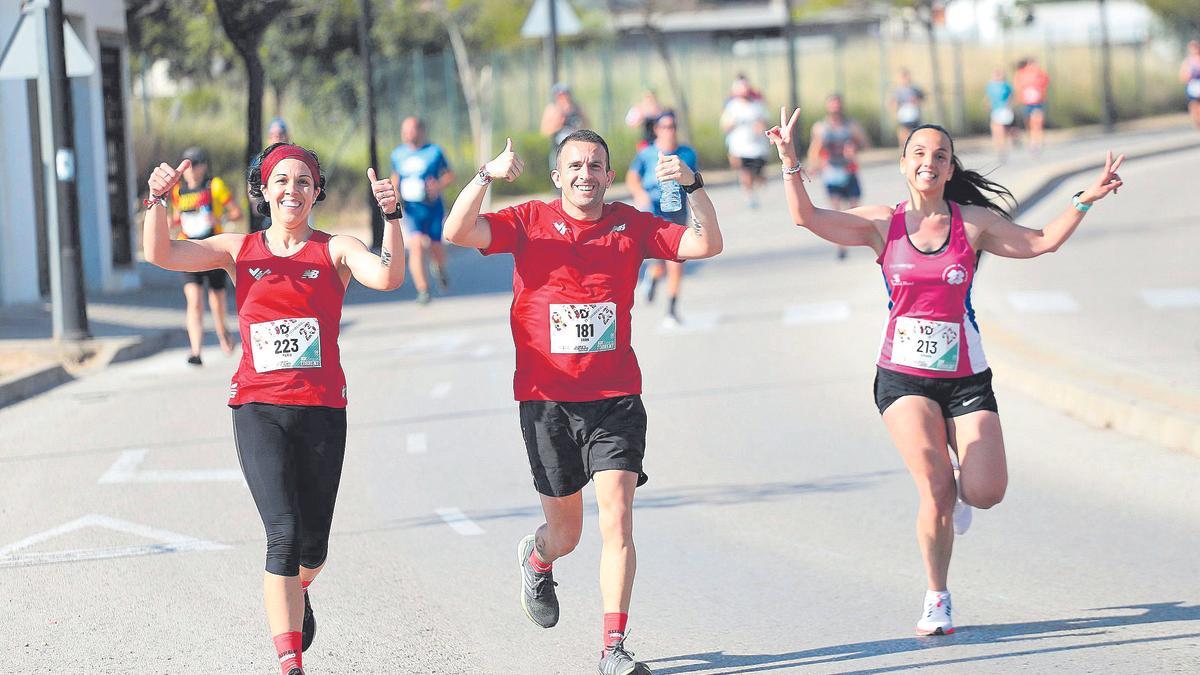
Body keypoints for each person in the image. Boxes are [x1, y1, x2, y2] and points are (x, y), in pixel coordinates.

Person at [766, 106, 1124, 637]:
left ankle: (959, 487)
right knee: (933, 485)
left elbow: (1040, 241)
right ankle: (937, 596)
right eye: (919, 154)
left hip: (966, 378)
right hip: (902, 377)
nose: (929, 162)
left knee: (985, 492)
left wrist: (1082, 201)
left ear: (951, 169)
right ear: (904, 165)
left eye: (940, 155)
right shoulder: (880, 224)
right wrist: (791, 161)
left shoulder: (971, 224)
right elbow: (808, 218)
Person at [442, 130, 723, 675]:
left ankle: (613, 648)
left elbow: (705, 244)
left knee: (617, 520)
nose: (585, 174)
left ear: (608, 175)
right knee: (567, 533)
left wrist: (696, 186)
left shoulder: (631, 224)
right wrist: (486, 176)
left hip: (614, 396)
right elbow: (456, 230)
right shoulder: (527, 221)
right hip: (545, 399)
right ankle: (539, 556)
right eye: (574, 165)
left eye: (595, 165)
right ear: (557, 175)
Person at [143, 142, 406, 675]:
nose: (292, 190)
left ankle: (298, 587)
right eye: (281, 181)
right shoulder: (240, 249)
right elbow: (164, 254)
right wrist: (157, 201)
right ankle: (290, 664)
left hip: (322, 411)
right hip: (257, 409)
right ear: (263, 191)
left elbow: (388, 277)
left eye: (304, 181)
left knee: (312, 550)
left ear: (316, 192)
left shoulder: (336, 249)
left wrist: (393, 218)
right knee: (281, 534)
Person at [169, 146, 242, 365]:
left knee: (216, 299)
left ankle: (223, 333)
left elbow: (236, 212)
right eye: (186, 165)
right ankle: (196, 350)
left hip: (213, 248)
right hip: (188, 249)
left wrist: (219, 221)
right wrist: (167, 225)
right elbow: (176, 217)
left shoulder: (215, 186)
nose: (190, 170)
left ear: (204, 166)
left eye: (195, 165)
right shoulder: (178, 191)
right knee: (194, 300)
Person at [390, 116, 456, 304]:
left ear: (420, 131)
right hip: (411, 209)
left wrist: (438, 186)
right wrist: (394, 195)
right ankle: (423, 290)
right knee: (416, 245)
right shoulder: (397, 154)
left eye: (410, 130)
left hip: (433, 207)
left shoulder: (434, 152)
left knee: (436, 247)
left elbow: (449, 174)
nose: (407, 134)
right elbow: (395, 177)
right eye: (404, 130)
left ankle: (440, 268)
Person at [806, 94, 870, 260]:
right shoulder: (821, 128)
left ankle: (857, 238)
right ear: (827, 107)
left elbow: (864, 143)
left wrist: (854, 148)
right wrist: (815, 165)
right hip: (832, 172)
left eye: (838, 105)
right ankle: (841, 245)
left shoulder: (851, 126)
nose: (835, 108)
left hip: (849, 170)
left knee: (855, 210)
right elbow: (814, 149)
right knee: (836, 210)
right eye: (832, 105)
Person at [720, 76, 770, 208]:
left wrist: (761, 127)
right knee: (745, 171)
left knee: (758, 175)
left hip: (757, 146)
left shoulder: (757, 105)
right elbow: (725, 126)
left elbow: (764, 121)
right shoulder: (731, 107)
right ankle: (749, 195)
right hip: (740, 146)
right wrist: (732, 124)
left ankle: (756, 182)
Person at [250, 118, 292, 232]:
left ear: (287, 136)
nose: (276, 138)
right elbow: (251, 187)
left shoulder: (296, 158)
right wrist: (259, 208)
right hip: (268, 215)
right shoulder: (259, 160)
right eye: (272, 135)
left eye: (280, 134)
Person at [541, 83, 589, 170]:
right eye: (560, 96)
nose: (564, 98)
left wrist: (579, 121)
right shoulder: (552, 109)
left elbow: (587, 125)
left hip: (577, 147)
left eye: (565, 95)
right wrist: (558, 122)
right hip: (558, 148)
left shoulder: (577, 108)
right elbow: (545, 131)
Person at [1014, 57, 1050, 154]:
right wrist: (1019, 97)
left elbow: (1046, 82)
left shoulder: (1040, 73)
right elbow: (1018, 86)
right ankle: (1032, 141)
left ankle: (1037, 142)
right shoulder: (1022, 74)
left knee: (1037, 122)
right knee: (1029, 124)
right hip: (1026, 103)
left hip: (1038, 103)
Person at [985, 68, 1017, 161]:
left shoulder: (1005, 86)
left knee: (1000, 131)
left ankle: (1002, 148)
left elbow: (1011, 97)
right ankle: (1000, 149)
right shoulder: (992, 86)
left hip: (1003, 111)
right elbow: (988, 98)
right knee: (997, 130)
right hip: (997, 111)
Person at [890, 68, 926, 148]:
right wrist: (895, 111)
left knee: (915, 133)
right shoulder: (897, 91)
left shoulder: (915, 89)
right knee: (903, 132)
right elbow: (893, 103)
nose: (905, 79)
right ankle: (903, 148)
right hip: (903, 116)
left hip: (914, 115)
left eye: (906, 76)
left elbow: (923, 99)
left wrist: (916, 102)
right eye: (902, 77)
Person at [1179, 40, 1200, 129]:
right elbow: (1182, 76)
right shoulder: (1187, 62)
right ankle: (1197, 121)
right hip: (1192, 86)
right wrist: (1187, 77)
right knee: (1194, 105)